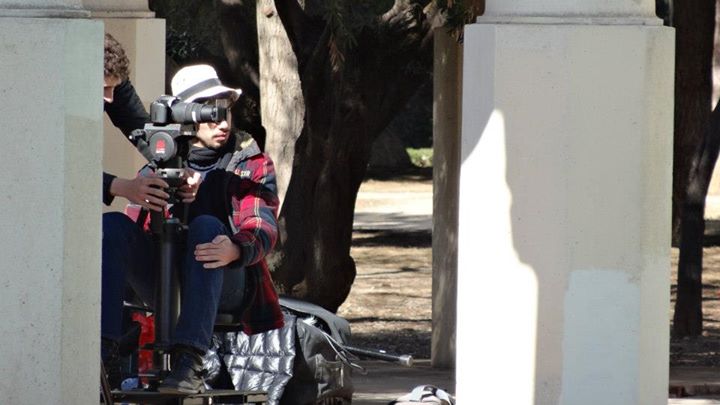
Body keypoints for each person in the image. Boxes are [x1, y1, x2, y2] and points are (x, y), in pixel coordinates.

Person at [101, 64, 284, 395]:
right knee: (112, 226)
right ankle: (105, 353)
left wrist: (236, 248)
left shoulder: (251, 163)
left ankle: (190, 362)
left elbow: (263, 225)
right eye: (211, 114)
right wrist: (157, 197)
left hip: (228, 278)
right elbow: (136, 229)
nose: (223, 123)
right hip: (165, 282)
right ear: (186, 116)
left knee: (205, 226)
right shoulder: (162, 157)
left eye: (226, 112)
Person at [102, 32, 173, 211]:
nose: (110, 99)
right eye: (104, 88)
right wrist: (123, 187)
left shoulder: (115, 82)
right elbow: (56, 163)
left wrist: (175, 166)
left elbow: (140, 128)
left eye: (114, 88)